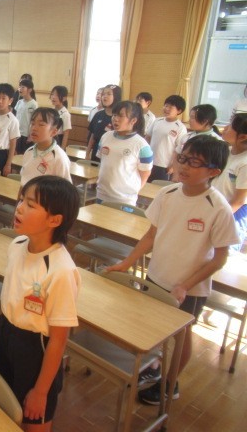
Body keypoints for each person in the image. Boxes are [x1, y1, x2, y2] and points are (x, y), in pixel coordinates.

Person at [108, 135, 239, 404]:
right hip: (157, 276)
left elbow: (220, 259)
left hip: (189, 288)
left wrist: (185, 286)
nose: (184, 166)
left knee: (181, 337)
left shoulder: (218, 207)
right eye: (183, 158)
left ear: (213, 172)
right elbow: (150, 236)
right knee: (155, 327)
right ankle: (155, 367)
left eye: (195, 162)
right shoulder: (167, 193)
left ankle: (170, 383)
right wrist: (127, 263)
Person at [0, 175, 81, 431]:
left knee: (34, 419)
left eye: (30, 205)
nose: (19, 208)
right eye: (21, 200)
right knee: (5, 408)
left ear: (54, 220)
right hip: (7, 332)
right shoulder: (17, 244)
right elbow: (10, 302)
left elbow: (59, 339)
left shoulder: (61, 271)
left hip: (36, 349)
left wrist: (41, 392)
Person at [96, 101, 153, 205]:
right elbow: (103, 163)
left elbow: (145, 174)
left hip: (124, 200)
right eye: (114, 115)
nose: (115, 119)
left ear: (133, 120)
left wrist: (131, 193)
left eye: (121, 116)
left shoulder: (142, 145)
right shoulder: (105, 136)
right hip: (102, 194)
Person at [214, 112, 247, 251]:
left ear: (243, 137)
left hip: (233, 213)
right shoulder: (225, 151)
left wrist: (217, 218)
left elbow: (238, 201)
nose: (225, 128)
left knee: (225, 252)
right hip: (216, 208)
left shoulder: (244, 162)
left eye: (230, 126)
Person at [20, 108, 72, 188]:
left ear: (54, 132)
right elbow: (23, 183)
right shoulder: (29, 152)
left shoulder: (59, 158)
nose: (34, 128)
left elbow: (66, 190)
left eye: (41, 124)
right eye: (32, 123)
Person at [146, 95, 188, 182]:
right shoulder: (157, 121)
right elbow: (148, 138)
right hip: (149, 161)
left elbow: (180, 150)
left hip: (164, 165)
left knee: (158, 187)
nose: (166, 109)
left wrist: (173, 166)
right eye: (166, 106)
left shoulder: (180, 127)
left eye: (171, 107)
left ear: (179, 111)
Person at [86, 84, 121, 162]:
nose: (105, 96)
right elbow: (92, 136)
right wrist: (87, 154)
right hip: (96, 153)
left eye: (109, 94)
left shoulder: (119, 117)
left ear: (116, 96)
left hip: (112, 156)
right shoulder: (98, 114)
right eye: (103, 94)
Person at [15, 79, 39, 154]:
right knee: (15, 154)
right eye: (19, 87)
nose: (20, 89)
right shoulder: (19, 102)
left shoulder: (34, 104)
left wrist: (31, 135)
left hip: (26, 134)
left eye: (23, 87)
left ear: (29, 90)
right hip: (17, 133)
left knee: (24, 154)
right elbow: (16, 117)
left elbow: (34, 121)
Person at [50, 86, 71, 150]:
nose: (53, 97)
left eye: (57, 95)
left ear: (64, 98)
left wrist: (62, 149)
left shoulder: (65, 114)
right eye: (52, 94)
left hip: (58, 141)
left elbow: (66, 134)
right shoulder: (51, 111)